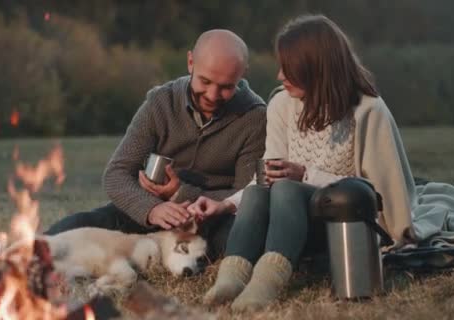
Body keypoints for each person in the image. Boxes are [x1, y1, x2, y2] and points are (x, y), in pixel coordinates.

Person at [188, 14, 418, 311]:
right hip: (292, 226)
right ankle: (231, 278)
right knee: (262, 190)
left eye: (289, 69)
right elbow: (267, 175)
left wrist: (305, 174)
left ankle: (267, 283)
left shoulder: (368, 111)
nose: (280, 77)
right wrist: (226, 205)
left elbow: (373, 195)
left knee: (285, 188)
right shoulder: (281, 104)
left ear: (316, 70)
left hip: (345, 226)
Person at [45, 30, 267, 261]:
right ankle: (29, 256)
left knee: (240, 241)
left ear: (243, 74)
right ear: (190, 62)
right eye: (205, 81)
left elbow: (249, 194)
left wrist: (181, 194)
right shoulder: (160, 102)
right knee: (78, 226)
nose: (212, 95)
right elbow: (116, 174)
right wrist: (151, 209)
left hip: (213, 222)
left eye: (226, 87)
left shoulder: (256, 117)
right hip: (150, 211)